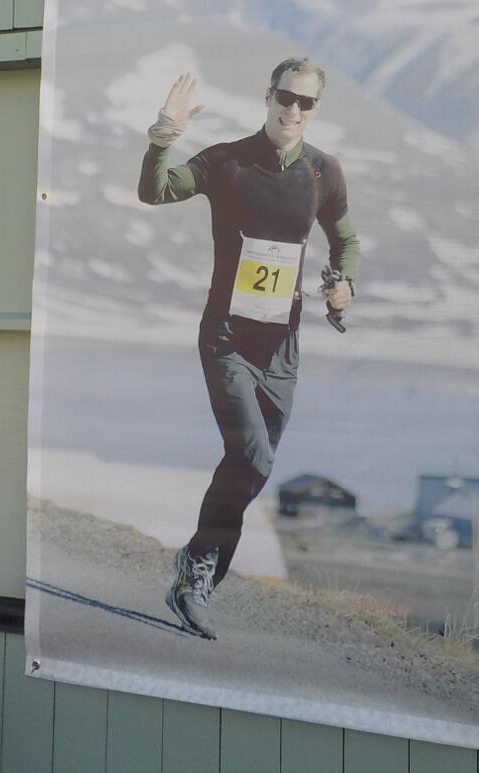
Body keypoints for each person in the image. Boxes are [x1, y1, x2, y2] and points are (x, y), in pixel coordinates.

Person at [137, 58, 360, 639]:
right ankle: (197, 568)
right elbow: (154, 191)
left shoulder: (323, 172)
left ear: (315, 109)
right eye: (286, 97)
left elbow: (345, 241)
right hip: (227, 339)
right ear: (268, 97)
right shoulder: (227, 161)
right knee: (253, 456)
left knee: (249, 468)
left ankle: (197, 577)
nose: (293, 109)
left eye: (306, 102)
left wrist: (343, 284)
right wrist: (163, 137)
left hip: (283, 348)